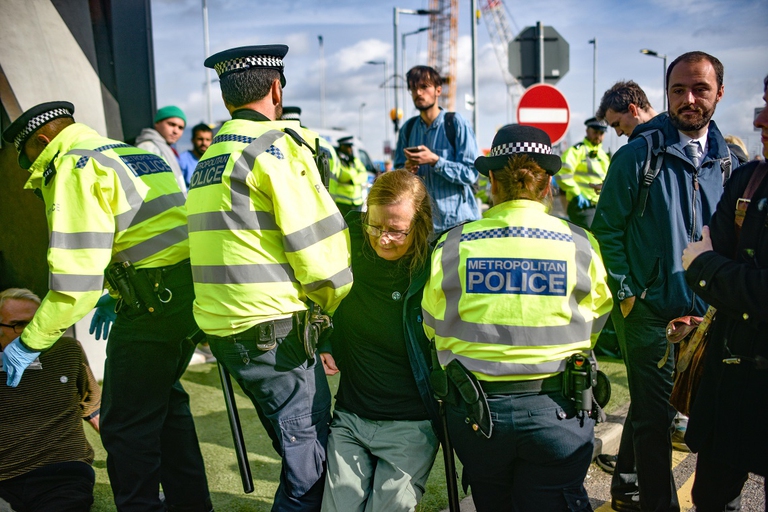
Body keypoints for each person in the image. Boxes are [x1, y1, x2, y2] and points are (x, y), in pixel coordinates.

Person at [1, 101, 212, 512]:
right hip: (181, 297)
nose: (29, 168)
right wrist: (115, 292)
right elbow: (143, 231)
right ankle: (192, 506)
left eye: (28, 156)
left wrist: (29, 343)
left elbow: (74, 283)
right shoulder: (129, 153)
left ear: (43, 141)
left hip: (150, 305)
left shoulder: (73, 168)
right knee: (166, 408)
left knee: (125, 428)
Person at [187, 44, 353, 511]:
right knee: (310, 475)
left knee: (297, 458)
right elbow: (321, 258)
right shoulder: (275, 147)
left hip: (230, 333)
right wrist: (335, 309)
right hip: (274, 337)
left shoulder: (211, 155)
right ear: (277, 88)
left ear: (226, 99)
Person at [422, 124, 612, 511]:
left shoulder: (453, 244)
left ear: (492, 181)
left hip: (479, 416)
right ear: (547, 185)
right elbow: (595, 322)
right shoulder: (580, 243)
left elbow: (432, 325)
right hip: (559, 412)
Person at [591, 51, 740, 512]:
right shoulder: (638, 154)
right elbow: (606, 232)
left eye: (700, 89)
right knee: (654, 422)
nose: (689, 99)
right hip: (649, 315)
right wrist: (628, 295)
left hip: (712, 317)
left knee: (710, 417)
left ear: (719, 92)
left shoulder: (731, 162)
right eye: (678, 90)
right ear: (666, 95)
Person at [320, 170, 439, 512]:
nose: (382, 238)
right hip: (351, 417)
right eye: (375, 226)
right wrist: (327, 339)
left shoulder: (435, 265)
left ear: (419, 224)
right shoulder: (348, 240)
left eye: (396, 230)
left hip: (411, 424)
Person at [681, 74, 768, 511]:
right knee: (712, 497)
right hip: (732, 374)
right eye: (764, 106)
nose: (762, 121)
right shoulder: (751, 179)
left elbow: (702, 260)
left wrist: (710, 270)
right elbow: (706, 248)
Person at [0, 288, 100, 512]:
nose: (30, 333)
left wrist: (128, 460)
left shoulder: (68, 350)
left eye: (36, 323)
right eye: (19, 325)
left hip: (62, 471)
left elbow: (93, 408)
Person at [394, 65, 480, 234]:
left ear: (438, 90)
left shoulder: (456, 123)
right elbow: (397, 176)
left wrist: (435, 161)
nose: (418, 93)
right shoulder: (408, 129)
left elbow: (471, 173)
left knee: (452, 262)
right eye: (413, 89)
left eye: (424, 87)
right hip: (421, 224)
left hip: (456, 224)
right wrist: (405, 170)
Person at [555, 117, 610, 229]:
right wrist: (576, 193)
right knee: (588, 240)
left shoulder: (604, 156)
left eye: (601, 133)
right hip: (582, 206)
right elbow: (562, 173)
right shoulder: (576, 151)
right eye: (595, 132)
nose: (598, 136)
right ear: (587, 131)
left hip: (600, 207)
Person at [136, 105, 188, 195]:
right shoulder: (147, 147)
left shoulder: (166, 147)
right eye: (171, 124)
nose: (176, 131)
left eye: (180, 128)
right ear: (157, 123)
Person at [333, 136, 369, 217]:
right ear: (342, 146)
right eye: (348, 146)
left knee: (355, 226)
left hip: (357, 202)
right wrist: (355, 174)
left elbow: (364, 175)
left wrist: (353, 180)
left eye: (351, 147)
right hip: (342, 202)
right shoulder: (337, 159)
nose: (350, 149)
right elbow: (342, 174)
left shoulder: (354, 160)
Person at [178, 123, 213, 188]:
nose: (204, 143)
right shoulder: (181, 160)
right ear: (193, 140)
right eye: (200, 139)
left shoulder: (215, 160)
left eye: (207, 140)